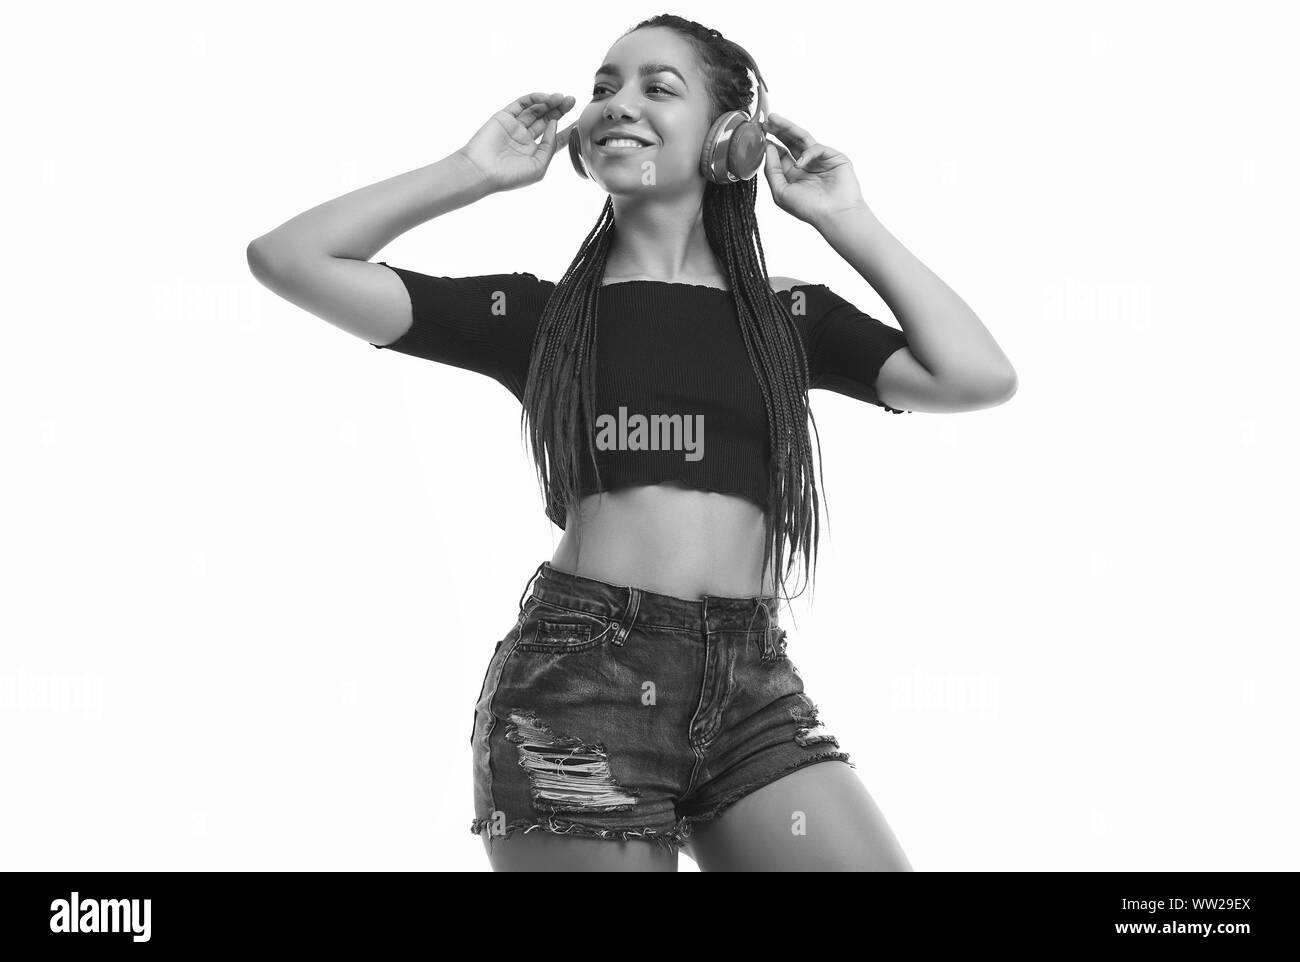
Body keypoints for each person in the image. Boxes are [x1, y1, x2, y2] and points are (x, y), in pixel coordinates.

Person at [247, 14, 1016, 872]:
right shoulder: (537, 320)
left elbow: (976, 377)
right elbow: (290, 258)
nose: (619, 103)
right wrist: (469, 173)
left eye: (659, 87)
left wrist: (849, 220)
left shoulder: (787, 318)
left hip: (753, 686)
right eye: (606, 86)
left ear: (732, 136)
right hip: (583, 688)